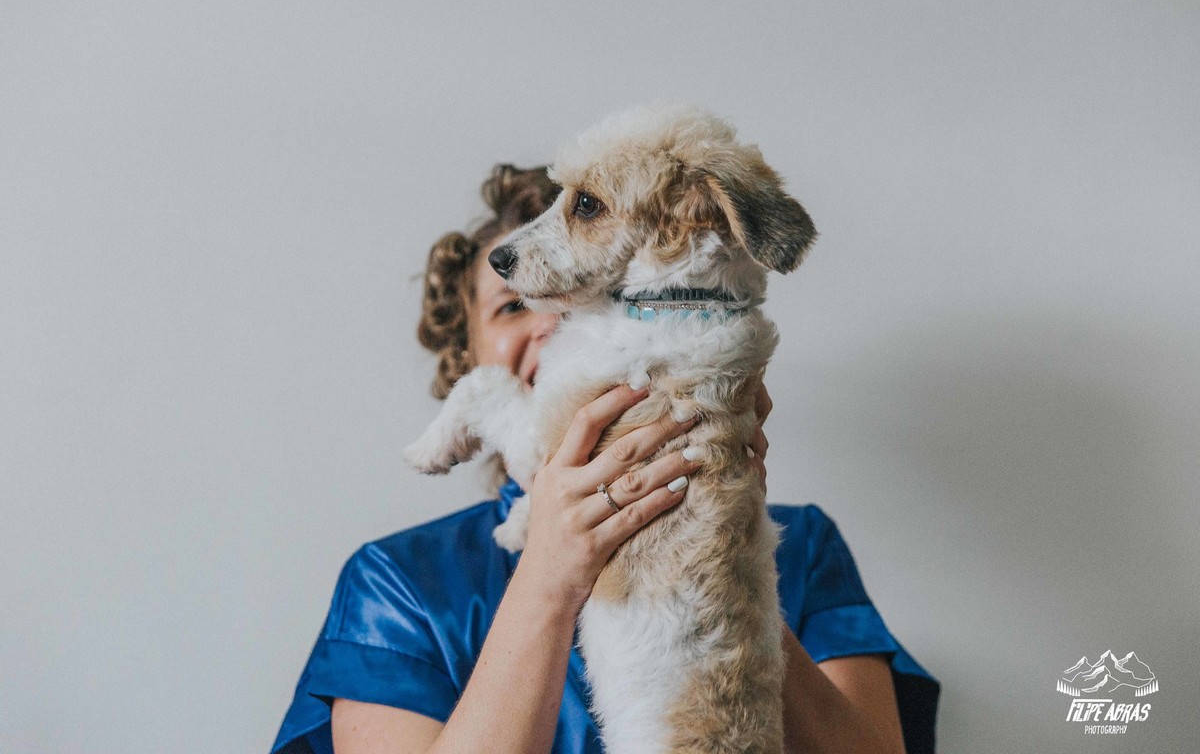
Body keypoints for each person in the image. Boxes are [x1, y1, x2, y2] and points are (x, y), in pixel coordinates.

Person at [272, 165, 940, 754]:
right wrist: (550, 574)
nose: (552, 321)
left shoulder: (803, 548)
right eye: (513, 305)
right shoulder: (397, 584)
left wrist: (726, 564)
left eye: (591, 295)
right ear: (465, 354)